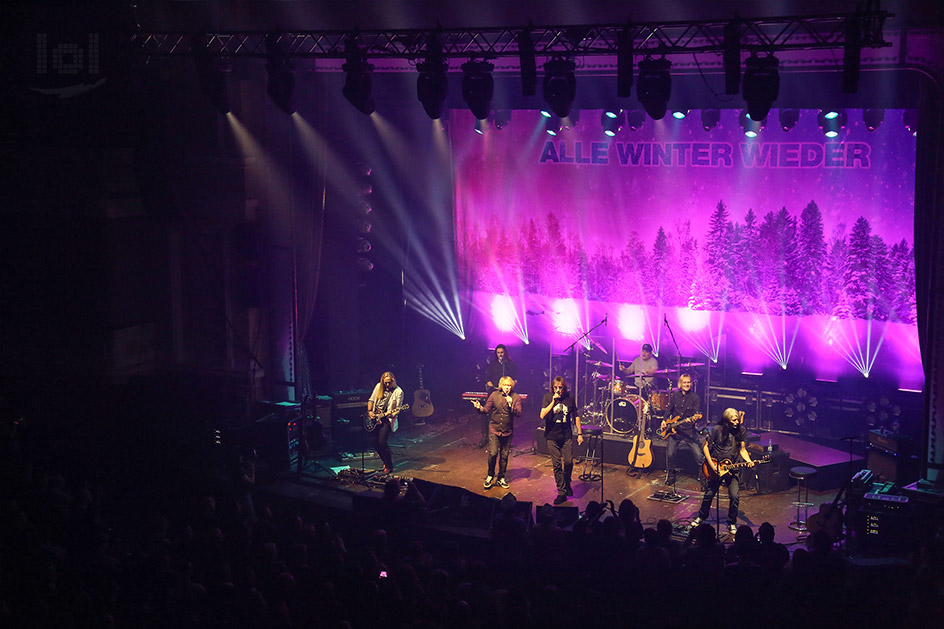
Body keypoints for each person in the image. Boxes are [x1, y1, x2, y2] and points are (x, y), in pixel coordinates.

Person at [691, 408, 755, 535]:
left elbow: (742, 449)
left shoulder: (741, 431)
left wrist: (748, 460)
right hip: (716, 467)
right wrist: (711, 464)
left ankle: (732, 522)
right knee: (709, 494)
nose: (737, 422)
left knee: (734, 496)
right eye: (734, 420)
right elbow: (705, 447)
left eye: (737, 419)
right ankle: (701, 517)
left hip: (732, 468)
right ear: (727, 420)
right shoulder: (717, 429)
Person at [472, 375, 522, 490]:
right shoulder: (494, 395)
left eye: (509, 385)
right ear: (501, 385)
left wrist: (511, 404)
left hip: (507, 431)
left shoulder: (516, 397)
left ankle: (501, 477)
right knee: (493, 453)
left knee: (504, 456)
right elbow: (486, 410)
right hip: (494, 429)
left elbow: (519, 414)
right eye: (505, 385)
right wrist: (479, 408)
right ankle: (490, 475)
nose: (507, 388)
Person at [540, 376, 583, 504]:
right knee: (557, 464)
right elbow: (542, 415)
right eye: (555, 388)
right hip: (552, 436)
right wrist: (553, 402)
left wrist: (579, 433)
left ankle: (567, 481)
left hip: (566, 435)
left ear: (564, 388)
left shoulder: (570, 397)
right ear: (552, 388)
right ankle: (562, 492)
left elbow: (575, 416)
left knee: (569, 462)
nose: (558, 390)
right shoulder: (547, 397)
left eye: (560, 388)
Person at [661, 373, 705, 486]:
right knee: (670, 454)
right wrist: (664, 420)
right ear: (681, 383)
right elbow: (669, 410)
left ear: (691, 383)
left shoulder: (695, 398)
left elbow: (696, 414)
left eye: (689, 382)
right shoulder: (675, 395)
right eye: (684, 382)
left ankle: (704, 478)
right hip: (674, 430)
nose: (687, 384)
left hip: (688, 431)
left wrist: (693, 420)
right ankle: (671, 476)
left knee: (699, 456)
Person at [367, 371, 405, 475]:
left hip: (386, 420)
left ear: (393, 381)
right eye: (385, 383)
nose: (387, 385)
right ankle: (385, 461)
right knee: (374, 442)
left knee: (382, 442)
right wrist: (370, 412)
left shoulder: (399, 392)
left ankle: (389, 466)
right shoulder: (379, 386)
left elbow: (398, 409)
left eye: (389, 382)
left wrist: (392, 414)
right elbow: (371, 400)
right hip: (375, 418)